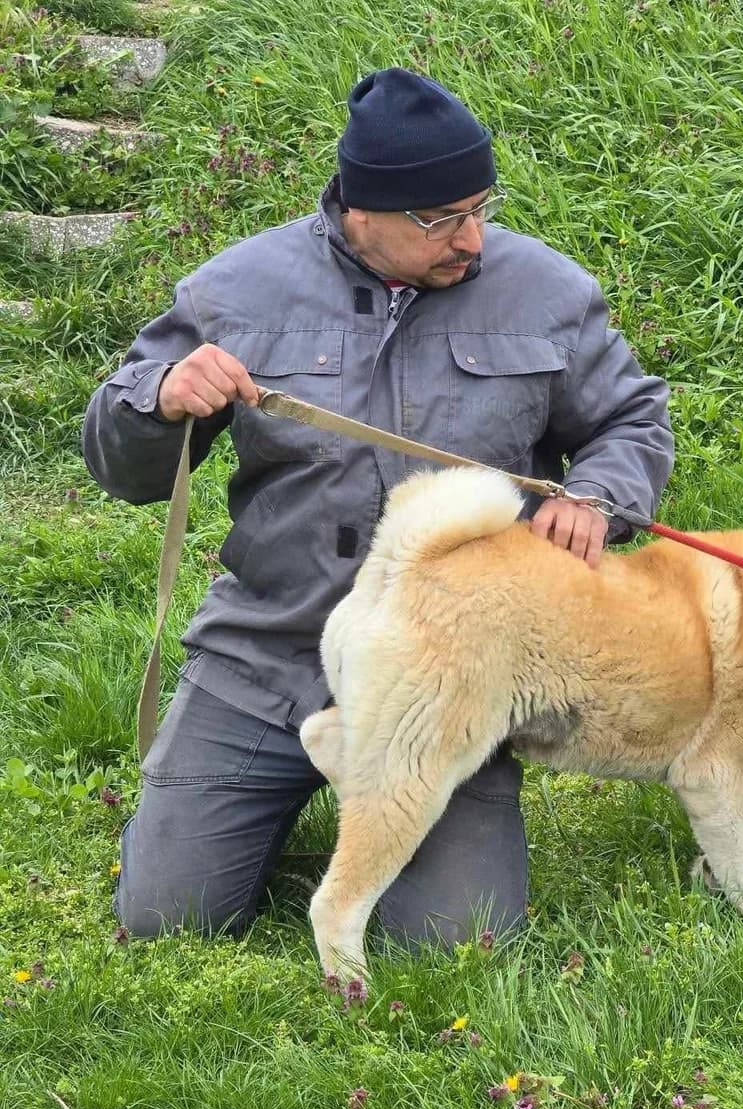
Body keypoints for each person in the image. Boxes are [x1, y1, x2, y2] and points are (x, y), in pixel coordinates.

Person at [83, 67, 674, 952]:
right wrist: (160, 397)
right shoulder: (236, 288)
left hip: (452, 669)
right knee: (167, 922)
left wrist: (599, 496)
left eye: (480, 206)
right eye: (441, 219)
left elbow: (631, 417)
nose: (472, 238)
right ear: (363, 209)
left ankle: (385, 805)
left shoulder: (546, 290)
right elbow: (119, 466)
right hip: (269, 652)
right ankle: (235, 805)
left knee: (453, 943)